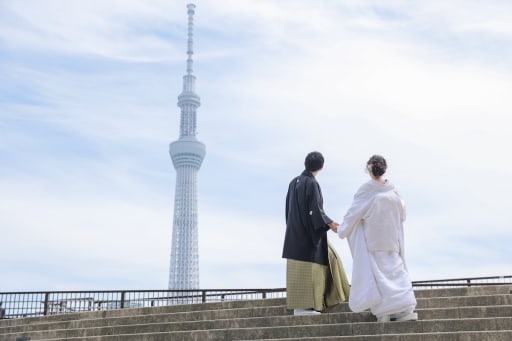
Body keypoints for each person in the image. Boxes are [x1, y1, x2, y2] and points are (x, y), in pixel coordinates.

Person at [337, 155, 417, 322]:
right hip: (392, 240)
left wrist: (342, 229)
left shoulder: (367, 190)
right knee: (396, 273)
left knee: (379, 277)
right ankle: (402, 310)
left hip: (373, 240)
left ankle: (384, 312)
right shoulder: (394, 192)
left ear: (369, 169)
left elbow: (354, 213)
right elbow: (403, 214)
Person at [283, 151, 350, 315]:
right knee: (316, 265)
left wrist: (326, 222)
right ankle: (305, 307)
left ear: (305, 164)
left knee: (328, 257)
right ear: (321, 167)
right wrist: (330, 223)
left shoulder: (293, 182)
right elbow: (315, 209)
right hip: (308, 235)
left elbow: (289, 209)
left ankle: (313, 304)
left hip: (294, 232)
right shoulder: (311, 183)